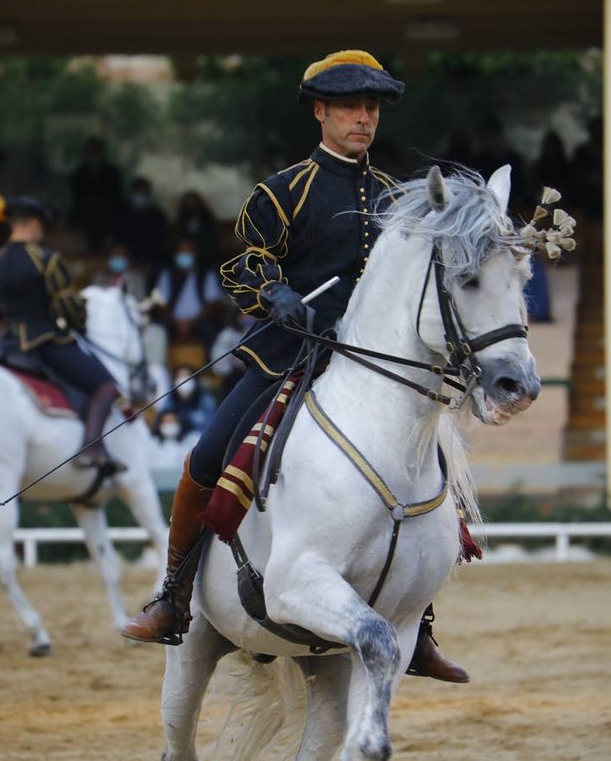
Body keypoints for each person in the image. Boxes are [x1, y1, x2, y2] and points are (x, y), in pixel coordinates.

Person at [122, 49, 469, 683]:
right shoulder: (283, 190)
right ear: (320, 113)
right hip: (290, 354)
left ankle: (417, 625)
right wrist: (274, 292)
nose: (363, 118)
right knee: (208, 455)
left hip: (373, 363)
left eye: (371, 108)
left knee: (426, 466)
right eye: (350, 107)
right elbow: (243, 263)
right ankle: (173, 594)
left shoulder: (396, 198)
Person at [0, 193, 124, 474]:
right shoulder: (45, 259)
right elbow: (66, 307)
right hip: (43, 341)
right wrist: (79, 321)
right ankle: (91, 448)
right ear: (34, 224)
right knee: (106, 386)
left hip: (3, 345)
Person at [150, 237, 227, 345]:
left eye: (188, 251)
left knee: (211, 329)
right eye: (181, 251)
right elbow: (160, 302)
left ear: (196, 253)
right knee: (157, 331)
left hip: (200, 322)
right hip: (172, 323)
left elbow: (213, 302)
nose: (184, 255)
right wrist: (176, 322)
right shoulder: (168, 275)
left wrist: (192, 322)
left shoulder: (206, 275)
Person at [69, 135, 122, 255]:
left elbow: (116, 199)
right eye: (91, 150)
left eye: (96, 150)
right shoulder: (79, 173)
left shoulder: (112, 173)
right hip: (85, 222)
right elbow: (77, 200)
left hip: (107, 222)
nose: (94, 154)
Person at [116, 176, 169, 272]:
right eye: (138, 193)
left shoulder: (157, 216)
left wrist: (150, 264)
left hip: (151, 263)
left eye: (143, 193)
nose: (140, 196)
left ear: (149, 195)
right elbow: (118, 240)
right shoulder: (122, 213)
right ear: (132, 193)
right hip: (126, 262)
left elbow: (161, 241)